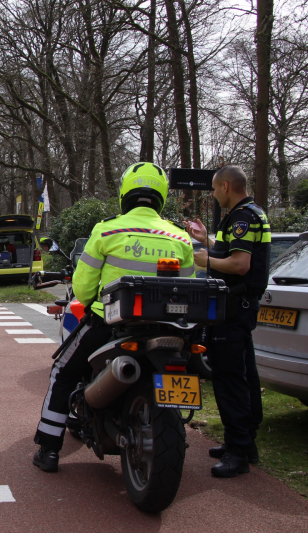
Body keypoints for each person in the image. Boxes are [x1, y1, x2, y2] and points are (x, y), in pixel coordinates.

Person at [32, 162, 195, 473]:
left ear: (124, 194)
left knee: (63, 372)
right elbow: (187, 287)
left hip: (109, 326)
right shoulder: (180, 236)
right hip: (166, 328)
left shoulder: (107, 230)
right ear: (161, 196)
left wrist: (92, 302)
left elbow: (83, 288)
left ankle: (49, 449)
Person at [184, 165, 269, 478]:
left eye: (214, 189)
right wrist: (206, 241)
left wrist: (204, 259)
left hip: (234, 309)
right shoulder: (250, 213)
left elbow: (240, 264)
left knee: (229, 378)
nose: (213, 195)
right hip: (240, 308)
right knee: (245, 375)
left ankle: (238, 451)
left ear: (226, 186)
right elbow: (232, 251)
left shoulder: (242, 217)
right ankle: (246, 443)